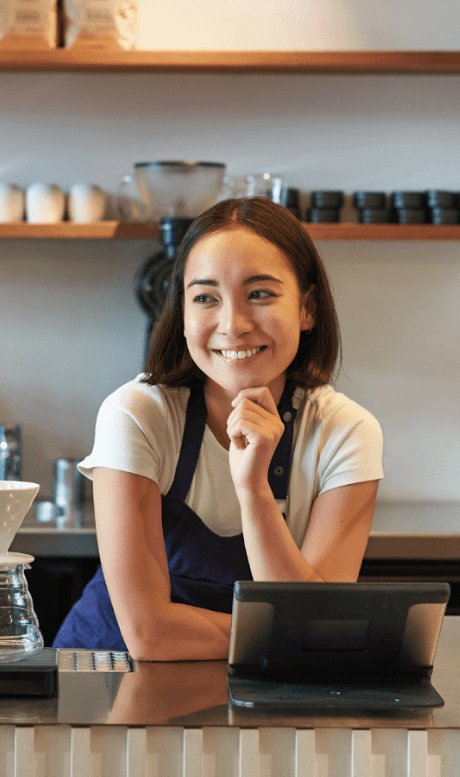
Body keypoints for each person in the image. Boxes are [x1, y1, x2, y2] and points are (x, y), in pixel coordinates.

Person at [53, 197, 383, 661]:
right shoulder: (136, 414)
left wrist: (253, 490)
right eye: (206, 298)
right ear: (182, 313)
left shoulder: (346, 433)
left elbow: (315, 625)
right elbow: (149, 635)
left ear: (307, 308)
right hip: (108, 680)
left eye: (260, 294)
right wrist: (283, 636)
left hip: (257, 697)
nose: (233, 325)